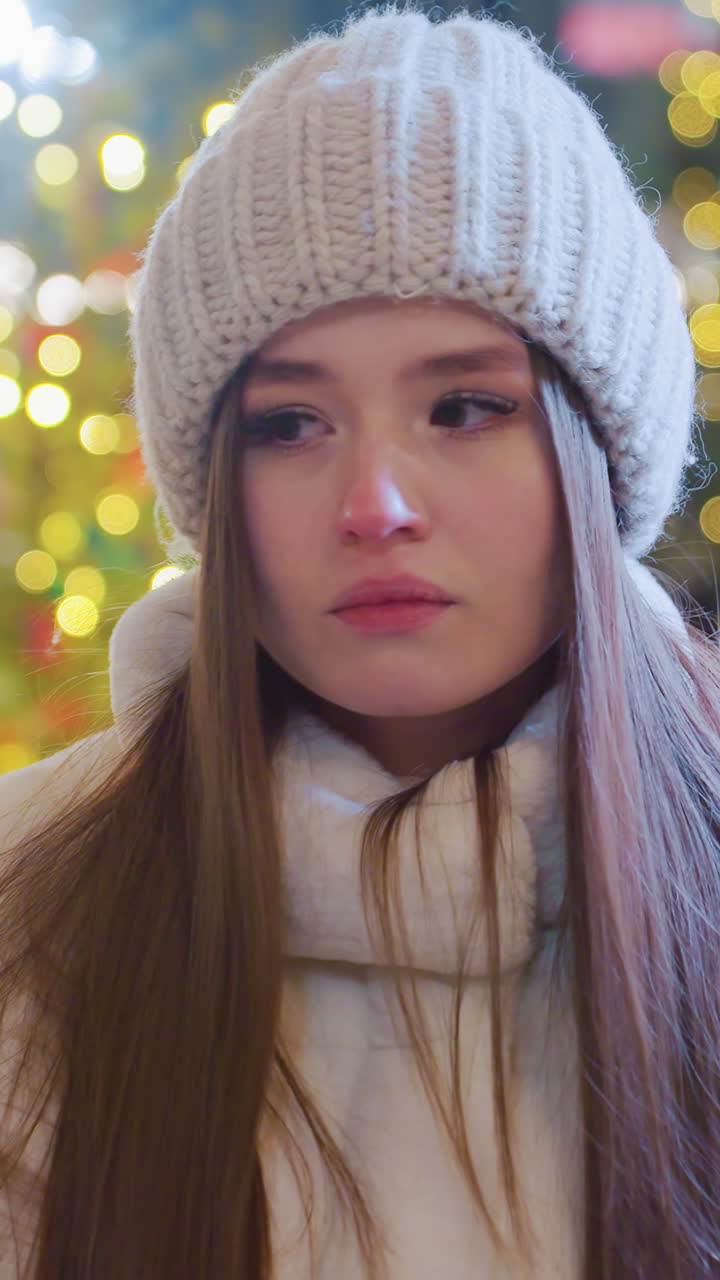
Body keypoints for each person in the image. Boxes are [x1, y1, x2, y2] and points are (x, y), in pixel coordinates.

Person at [0, 2, 719, 1276]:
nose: (375, 505)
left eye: (464, 405)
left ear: (595, 458)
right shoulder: (30, 920)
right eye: (287, 424)